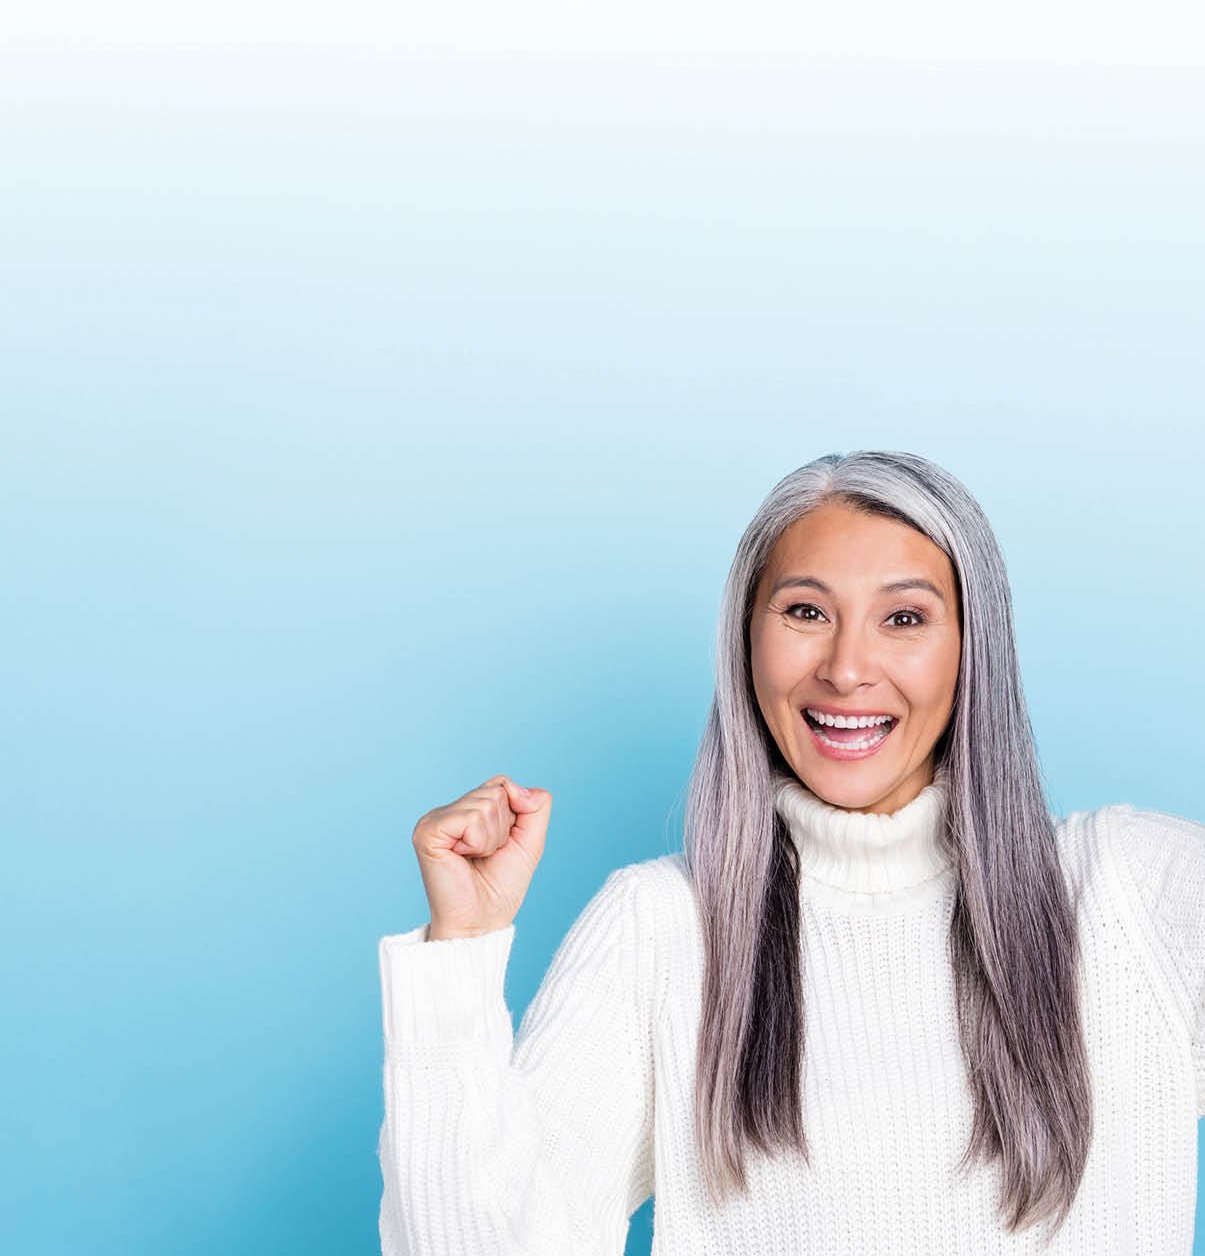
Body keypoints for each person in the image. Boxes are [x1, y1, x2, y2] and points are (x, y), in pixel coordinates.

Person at [377, 450, 1205, 1254]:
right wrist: (459, 952)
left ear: (973, 649)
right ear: (746, 641)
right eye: (804, 612)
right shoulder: (662, 929)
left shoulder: (1130, 895)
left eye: (904, 618)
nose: (846, 669)